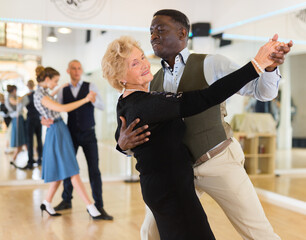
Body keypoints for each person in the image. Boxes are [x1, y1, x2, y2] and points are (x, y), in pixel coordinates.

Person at [117, 9, 293, 240]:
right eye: (151, 32)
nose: (153, 37)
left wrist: (267, 68)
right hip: (177, 172)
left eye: (160, 30)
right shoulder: (151, 80)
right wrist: (122, 145)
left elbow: (262, 92)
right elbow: (141, 129)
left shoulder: (212, 63)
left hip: (217, 161)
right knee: (150, 232)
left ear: (182, 33)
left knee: (257, 232)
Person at [34, 66, 105, 219]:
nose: (56, 84)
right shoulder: (40, 95)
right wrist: (85, 99)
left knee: (64, 171)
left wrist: (59, 88)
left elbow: (49, 102)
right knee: (72, 170)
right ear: (46, 80)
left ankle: (47, 202)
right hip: (57, 131)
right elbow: (62, 108)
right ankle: (91, 207)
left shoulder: (44, 92)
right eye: (55, 81)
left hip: (59, 129)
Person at [50, 60, 113, 220]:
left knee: (94, 170)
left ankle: (99, 205)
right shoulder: (63, 90)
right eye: (73, 68)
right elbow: (55, 109)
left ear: (81, 71)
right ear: (68, 70)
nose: (77, 71)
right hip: (70, 133)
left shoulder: (90, 86)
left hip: (89, 134)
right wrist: (46, 120)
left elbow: (102, 106)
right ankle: (66, 200)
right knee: (69, 168)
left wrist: (92, 99)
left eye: (79, 68)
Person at [5, 85, 28, 163]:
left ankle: (28, 157)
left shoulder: (12, 97)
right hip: (17, 119)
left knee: (23, 139)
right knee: (20, 139)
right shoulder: (10, 97)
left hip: (19, 119)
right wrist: (24, 96)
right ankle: (14, 158)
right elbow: (16, 102)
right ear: (14, 90)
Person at [24, 79, 43, 169]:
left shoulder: (27, 96)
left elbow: (20, 107)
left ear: (27, 86)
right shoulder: (37, 94)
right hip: (38, 118)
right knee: (39, 140)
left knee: (30, 141)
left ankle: (31, 161)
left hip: (30, 119)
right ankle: (40, 159)